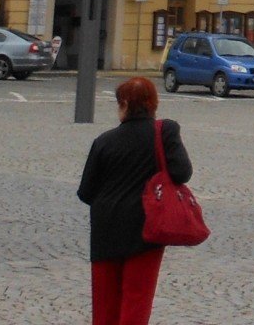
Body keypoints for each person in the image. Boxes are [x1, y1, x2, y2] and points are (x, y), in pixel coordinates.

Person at [79, 75, 192, 325]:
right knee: (136, 301)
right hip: (145, 230)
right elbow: (182, 172)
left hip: (105, 229)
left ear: (126, 104)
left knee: (104, 303)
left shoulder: (103, 141)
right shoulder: (165, 132)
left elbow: (85, 191)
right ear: (152, 104)